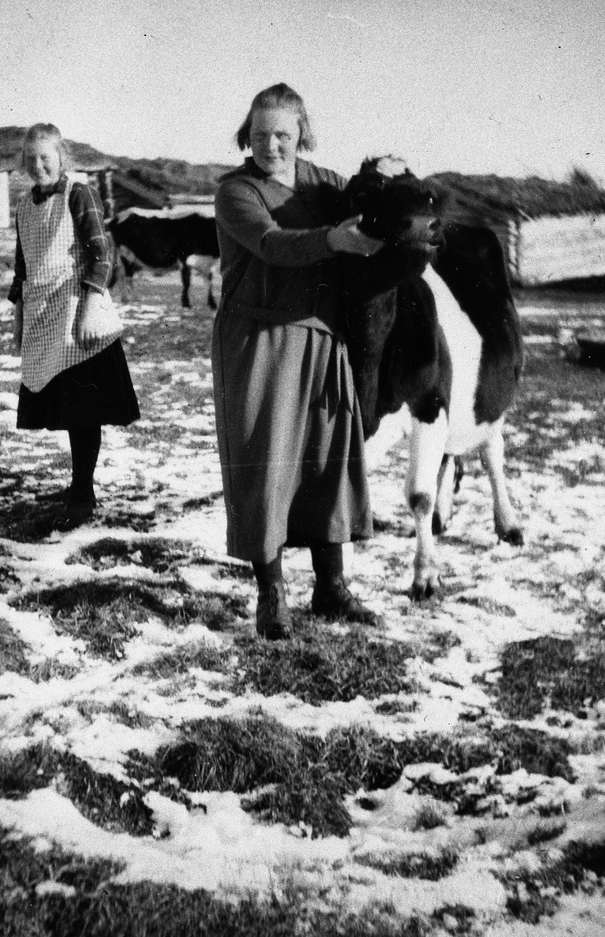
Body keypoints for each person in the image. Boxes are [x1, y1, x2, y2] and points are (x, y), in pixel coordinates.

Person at [213, 83, 385, 640]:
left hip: (323, 336)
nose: (272, 146)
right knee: (267, 464)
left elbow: (368, 199)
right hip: (260, 338)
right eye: (261, 135)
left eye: (283, 135)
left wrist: (387, 180)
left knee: (327, 460)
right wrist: (334, 239)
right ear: (248, 134)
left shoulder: (323, 183)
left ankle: (331, 588)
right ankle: (272, 594)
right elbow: (273, 244)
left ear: (301, 133)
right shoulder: (237, 191)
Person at [8, 123, 139, 529]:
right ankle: (76, 482)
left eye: (45, 157)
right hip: (43, 314)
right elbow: (22, 268)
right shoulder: (24, 206)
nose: (38, 166)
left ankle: (83, 488)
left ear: (61, 157)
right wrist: (18, 318)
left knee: (84, 408)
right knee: (64, 406)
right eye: (30, 159)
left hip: (77, 312)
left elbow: (104, 254)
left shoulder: (78, 193)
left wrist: (88, 309)